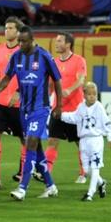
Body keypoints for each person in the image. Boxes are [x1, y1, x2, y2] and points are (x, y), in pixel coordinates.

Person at [0, 26, 63, 201]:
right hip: (24, 109)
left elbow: (57, 81)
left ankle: (22, 188)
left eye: (24, 41)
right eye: (19, 41)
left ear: (32, 40)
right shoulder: (17, 56)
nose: (20, 44)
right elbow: (6, 77)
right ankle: (50, 186)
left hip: (40, 108)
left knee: (30, 143)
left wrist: (59, 105)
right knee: (37, 148)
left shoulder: (43, 56)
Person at [0, 17, 25, 189]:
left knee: (25, 140)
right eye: (6, 27)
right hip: (1, 102)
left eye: (10, 28)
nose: (6, 30)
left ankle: (24, 174)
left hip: (19, 104)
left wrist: (19, 93)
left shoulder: (24, 51)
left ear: (18, 31)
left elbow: (29, 76)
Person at [59, 82, 111, 201]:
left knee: (95, 167)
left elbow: (107, 123)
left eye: (94, 94)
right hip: (83, 141)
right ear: (84, 94)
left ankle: (90, 193)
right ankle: (101, 183)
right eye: (89, 94)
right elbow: (74, 117)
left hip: (96, 140)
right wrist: (61, 115)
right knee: (86, 169)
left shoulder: (99, 107)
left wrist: (110, 137)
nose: (92, 96)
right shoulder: (81, 107)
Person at [45, 32, 88, 183]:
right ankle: (46, 173)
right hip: (58, 109)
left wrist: (69, 90)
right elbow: (50, 84)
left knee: (80, 142)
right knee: (52, 140)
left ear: (68, 44)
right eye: (56, 41)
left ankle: (83, 173)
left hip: (76, 110)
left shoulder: (79, 60)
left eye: (59, 41)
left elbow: (81, 79)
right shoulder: (53, 62)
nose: (56, 43)